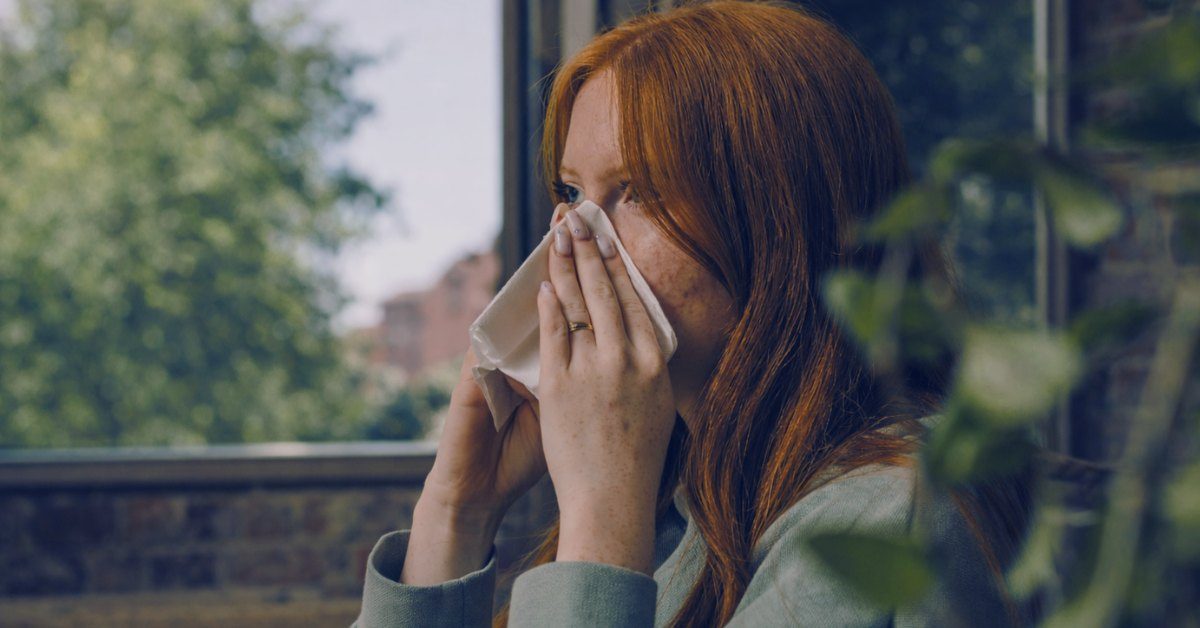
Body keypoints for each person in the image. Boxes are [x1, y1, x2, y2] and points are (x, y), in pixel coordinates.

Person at [355, 1, 1029, 626]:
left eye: (639, 190)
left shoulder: (892, 518)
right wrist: (456, 514)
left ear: (778, 221)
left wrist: (599, 522)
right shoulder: (696, 510)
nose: (575, 236)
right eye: (571, 190)